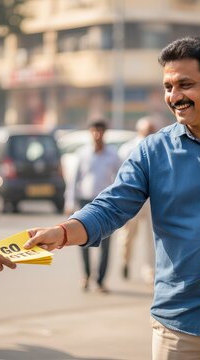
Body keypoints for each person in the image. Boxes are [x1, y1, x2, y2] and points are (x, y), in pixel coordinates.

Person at [24, 37, 200, 360]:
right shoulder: (151, 152)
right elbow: (111, 207)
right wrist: (63, 232)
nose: (174, 97)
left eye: (185, 85)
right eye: (168, 87)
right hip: (179, 322)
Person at [64, 119, 122, 293]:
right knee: (83, 239)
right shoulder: (82, 153)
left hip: (105, 203)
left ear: (105, 133)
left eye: (100, 131)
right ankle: (86, 275)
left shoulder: (112, 154)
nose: (97, 135)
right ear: (90, 132)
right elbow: (74, 180)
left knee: (106, 244)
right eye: (94, 131)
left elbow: (121, 179)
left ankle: (100, 280)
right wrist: (69, 202)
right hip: (85, 200)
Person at [117, 116, 156, 283]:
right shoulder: (128, 148)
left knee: (151, 237)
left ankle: (150, 271)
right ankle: (125, 261)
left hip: (152, 200)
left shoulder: (158, 147)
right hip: (133, 199)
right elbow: (120, 175)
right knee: (128, 235)